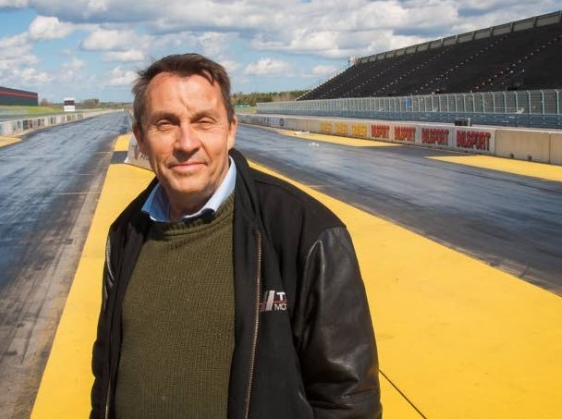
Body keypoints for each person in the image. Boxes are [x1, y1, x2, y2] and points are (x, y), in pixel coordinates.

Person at [91, 53, 381, 418]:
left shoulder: (306, 231)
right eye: (165, 124)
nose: (186, 142)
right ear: (141, 138)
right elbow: (105, 372)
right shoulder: (125, 232)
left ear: (231, 130)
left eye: (204, 122)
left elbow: (349, 399)